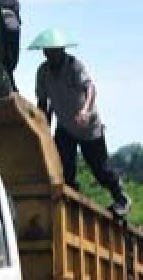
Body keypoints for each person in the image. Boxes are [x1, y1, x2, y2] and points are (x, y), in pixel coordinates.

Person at [29, 28, 131, 217]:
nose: (51, 56)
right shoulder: (42, 73)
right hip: (65, 128)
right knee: (64, 169)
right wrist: (43, 131)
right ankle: (72, 201)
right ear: (44, 53)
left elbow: (90, 88)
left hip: (88, 127)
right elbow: (43, 104)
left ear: (62, 51)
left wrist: (85, 111)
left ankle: (122, 199)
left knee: (101, 170)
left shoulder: (75, 66)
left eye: (55, 51)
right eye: (48, 52)